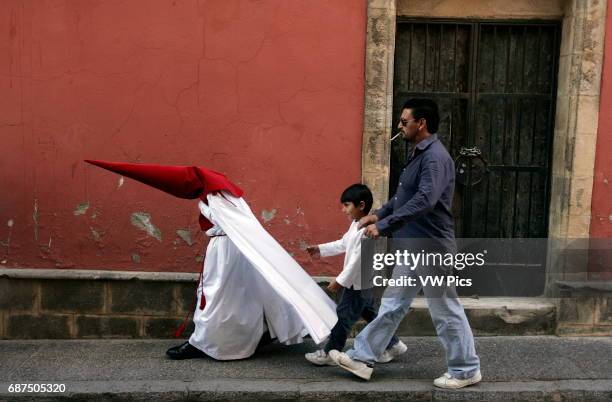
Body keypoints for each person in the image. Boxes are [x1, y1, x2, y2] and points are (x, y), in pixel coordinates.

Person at [85, 160, 337, 360]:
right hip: (233, 251)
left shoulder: (218, 199)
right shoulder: (226, 197)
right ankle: (249, 336)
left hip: (227, 254)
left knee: (215, 298)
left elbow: (239, 229)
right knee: (236, 299)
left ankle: (204, 343)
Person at [328, 99, 482, 389]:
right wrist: (379, 213)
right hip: (414, 247)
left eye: (404, 121)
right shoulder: (419, 154)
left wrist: (383, 226)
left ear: (420, 123)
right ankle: (362, 357)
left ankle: (465, 370)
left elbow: (425, 201)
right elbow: (404, 198)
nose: (400, 126)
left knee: (445, 310)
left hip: (431, 247)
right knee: (392, 304)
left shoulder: (434, 157)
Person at [304, 184, 407, 366]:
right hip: (359, 281)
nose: (343, 210)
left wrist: (340, 281)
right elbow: (343, 244)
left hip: (357, 282)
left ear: (361, 205)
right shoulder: (355, 225)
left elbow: (356, 261)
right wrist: (320, 249)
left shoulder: (367, 230)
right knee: (369, 313)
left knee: (343, 316)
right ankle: (393, 344)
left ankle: (330, 352)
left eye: (346, 205)